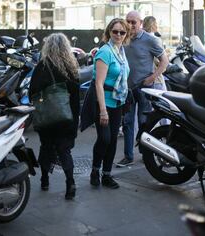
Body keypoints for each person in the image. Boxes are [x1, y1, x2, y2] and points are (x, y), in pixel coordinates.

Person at [29, 33, 80, 200]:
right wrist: (74, 122)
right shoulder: (70, 67)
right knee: (64, 150)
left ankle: (44, 180)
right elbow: (75, 97)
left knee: (46, 147)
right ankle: (70, 183)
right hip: (66, 118)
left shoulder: (42, 66)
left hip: (46, 118)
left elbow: (32, 93)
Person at [117, 11, 168, 167]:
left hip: (145, 88)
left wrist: (152, 77)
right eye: (128, 21)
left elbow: (164, 61)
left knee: (144, 123)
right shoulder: (122, 38)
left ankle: (146, 155)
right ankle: (128, 156)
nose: (131, 25)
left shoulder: (150, 40)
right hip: (127, 89)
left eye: (134, 22)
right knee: (127, 123)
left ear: (140, 23)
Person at [89, 18, 131, 189]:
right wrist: (103, 110)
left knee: (113, 139)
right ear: (109, 33)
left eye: (122, 32)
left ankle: (107, 174)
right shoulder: (105, 52)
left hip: (118, 102)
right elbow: (98, 83)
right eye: (115, 31)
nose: (119, 35)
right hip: (103, 102)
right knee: (104, 138)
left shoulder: (121, 51)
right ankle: (95, 170)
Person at [143, 16, 167, 92]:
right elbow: (162, 62)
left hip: (142, 79)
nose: (157, 26)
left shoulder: (140, 38)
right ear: (152, 25)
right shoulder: (155, 40)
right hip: (156, 80)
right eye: (156, 23)